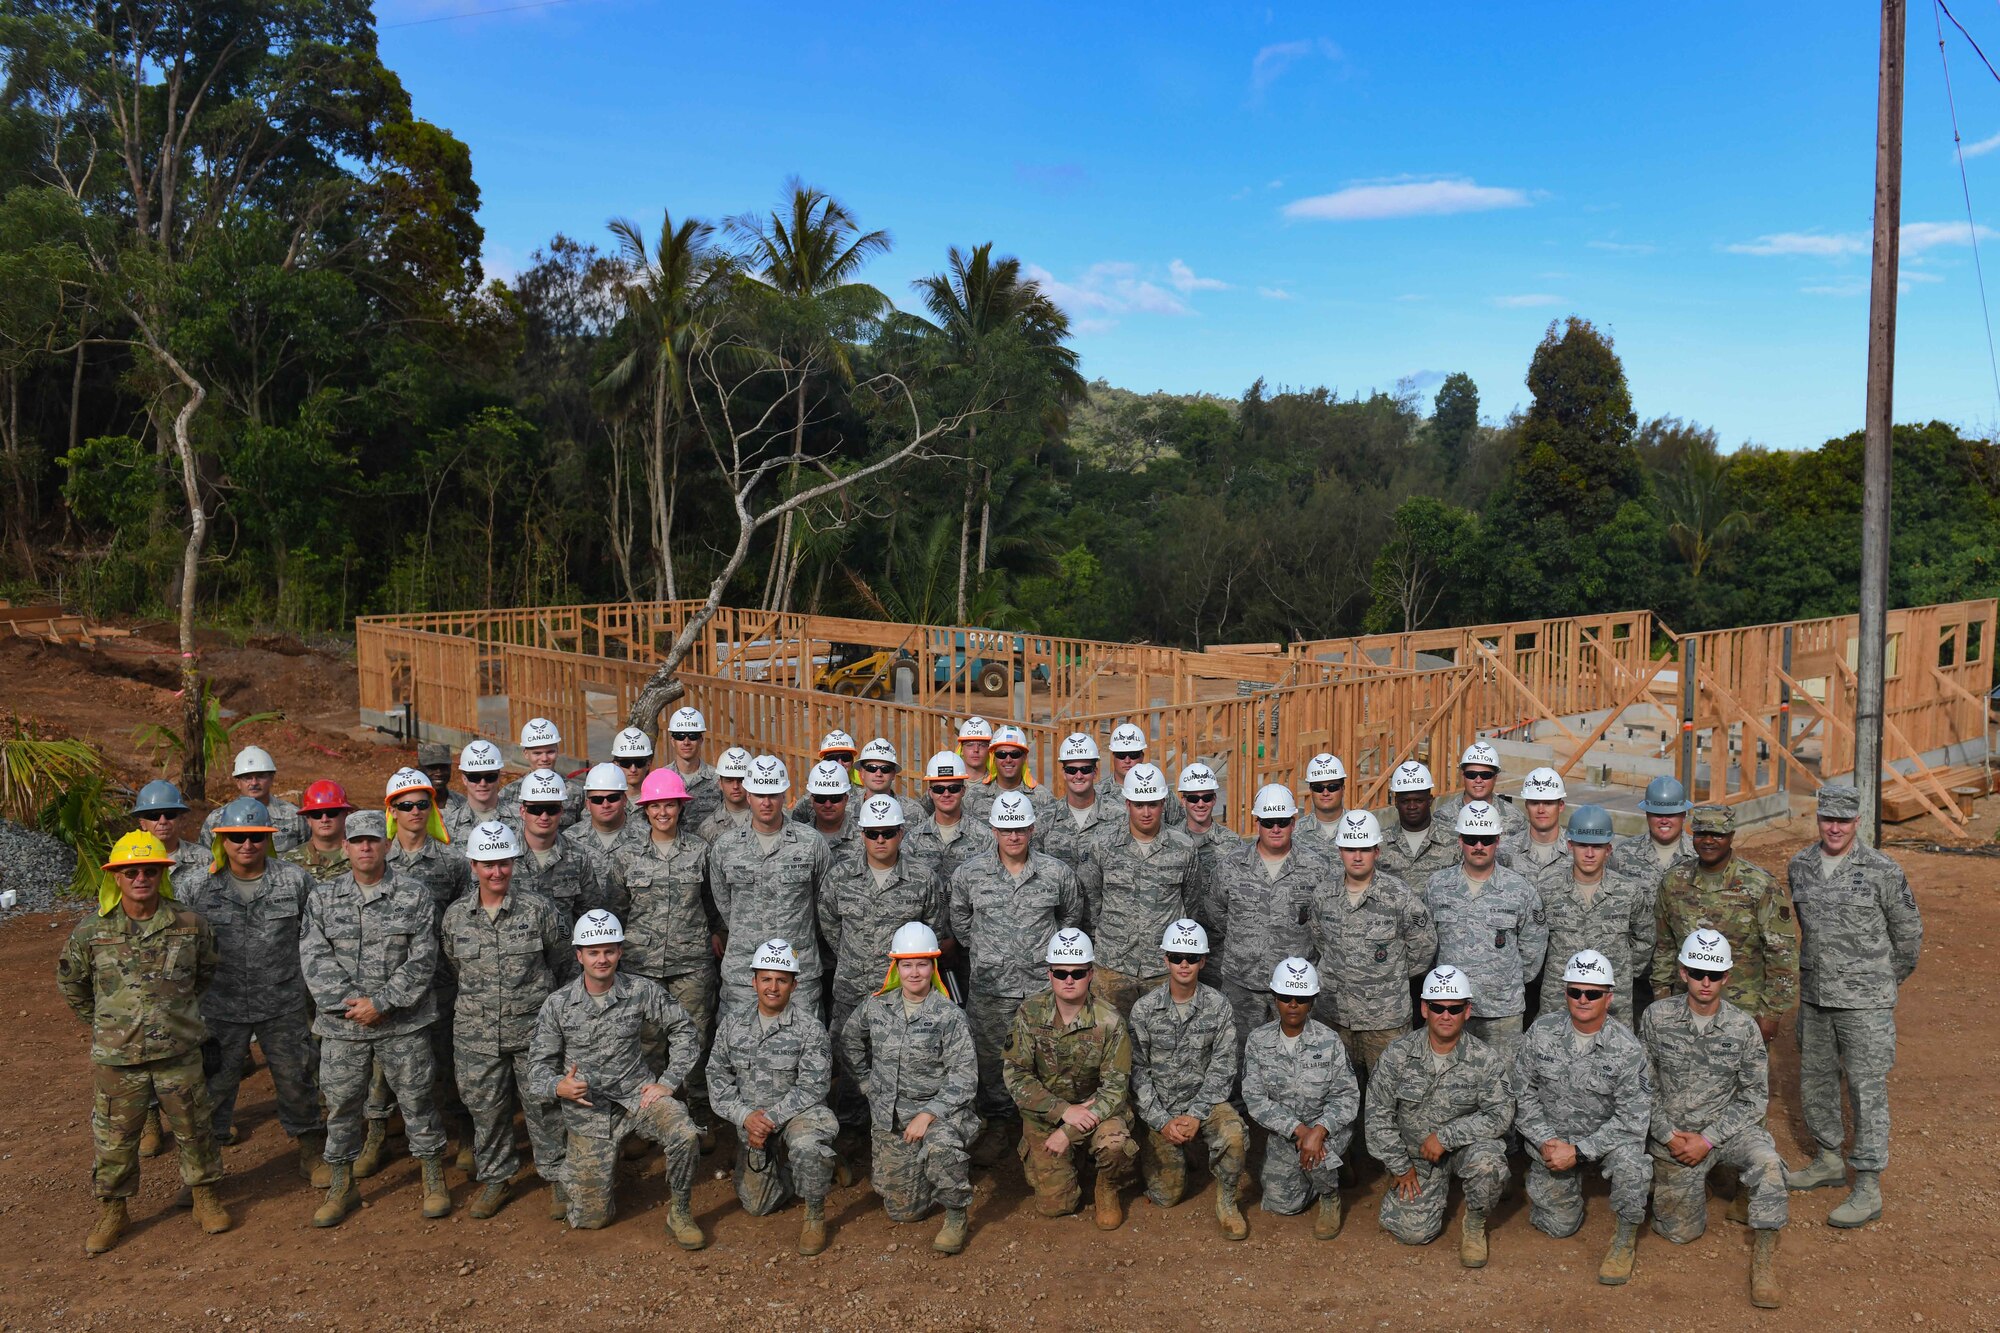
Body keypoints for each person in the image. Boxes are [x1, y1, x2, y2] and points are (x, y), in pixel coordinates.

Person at [57, 832, 230, 1253]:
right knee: (115, 1137)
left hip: (178, 1052)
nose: (140, 878)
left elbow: (205, 973)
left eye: (149, 870)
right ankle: (113, 1209)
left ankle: (204, 1196)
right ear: (115, 877)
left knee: (194, 1127)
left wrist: (178, 1017)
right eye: (130, 871)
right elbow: (72, 983)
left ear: (161, 874)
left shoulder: (190, 925)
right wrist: (106, 1023)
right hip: (120, 1057)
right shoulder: (91, 933)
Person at [1782, 783, 1923, 1230]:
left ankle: (1867, 1182)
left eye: (1844, 820)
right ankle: (1827, 1158)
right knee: (1816, 1079)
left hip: (1866, 1005)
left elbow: (1909, 937)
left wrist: (1879, 982)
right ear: (1818, 819)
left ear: (1857, 822)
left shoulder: (1882, 869)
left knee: (1866, 1089)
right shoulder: (1800, 865)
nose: (1835, 827)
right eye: (1828, 819)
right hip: (1816, 998)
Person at [302, 811, 451, 1228]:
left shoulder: (414, 895)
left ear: (386, 845)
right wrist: (355, 1005)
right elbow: (314, 959)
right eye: (357, 841)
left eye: (373, 840)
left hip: (402, 1022)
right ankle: (341, 1183)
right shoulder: (322, 898)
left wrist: (382, 1002)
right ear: (345, 847)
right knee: (343, 1104)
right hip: (343, 1026)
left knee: (418, 1099)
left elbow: (423, 959)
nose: (366, 847)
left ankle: (432, 1176)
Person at [526, 909, 705, 1246]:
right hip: (589, 1111)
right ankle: (574, 1175)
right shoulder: (558, 1005)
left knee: (684, 1132)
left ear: (620, 951)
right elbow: (535, 1069)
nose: (602, 959)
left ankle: (679, 1212)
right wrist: (558, 1086)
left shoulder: (641, 990)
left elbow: (684, 1029)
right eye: (593, 952)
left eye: (609, 950)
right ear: (579, 955)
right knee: (592, 1220)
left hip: (638, 1096)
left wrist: (668, 1081)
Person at [1641, 931, 1787, 1309]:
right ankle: (1694, 1184)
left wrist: (1709, 1139)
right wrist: (1668, 1135)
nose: (1706, 981)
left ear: (1727, 978)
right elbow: (1642, 1088)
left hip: (1727, 1132)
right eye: (1697, 971)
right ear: (1683, 973)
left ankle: (1765, 1258)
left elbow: (1755, 1097)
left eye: (1714, 974)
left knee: (1769, 1164)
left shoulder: (1743, 1027)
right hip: (1674, 1136)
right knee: (1679, 1234)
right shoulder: (1656, 1017)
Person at [178, 797, 324, 1173]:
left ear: (268, 839)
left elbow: (315, 939)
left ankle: (311, 1151)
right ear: (222, 840)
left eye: (256, 837)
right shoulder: (197, 887)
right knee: (213, 1090)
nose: (247, 845)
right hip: (220, 1009)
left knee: (297, 1082)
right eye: (238, 836)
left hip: (283, 1005)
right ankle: (203, 1174)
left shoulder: (294, 881)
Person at [440, 821, 569, 1220]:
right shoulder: (456, 917)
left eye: (504, 863)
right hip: (476, 1036)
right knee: (486, 1110)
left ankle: (558, 1178)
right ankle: (496, 1177)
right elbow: (452, 967)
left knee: (545, 1107)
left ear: (514, 862)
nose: (497, 872)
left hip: (533, 1033)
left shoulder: (539, 909)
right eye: (487, 864)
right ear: (473, 866)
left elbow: (562, 963)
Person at [947, 789, 1083, 1163]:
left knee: (1050, 1059)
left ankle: (1046, 1127)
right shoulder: (970, 874)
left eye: (1021, 828)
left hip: (1043, 988)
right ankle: (998, 1126)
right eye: (1006, 829)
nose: (1013, 836)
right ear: (993, 829)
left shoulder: (1056, 873)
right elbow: (961, 924)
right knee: (992, 1061)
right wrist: (990, 953)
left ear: (1032, 828)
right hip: (991, 988)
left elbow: (1070, 919)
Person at [838, 922, 979, 1254]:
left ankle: (956, 1214)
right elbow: (849, 1040)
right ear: (896, 967)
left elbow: (965, 1076)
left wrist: (929, 1114)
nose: (915, 972)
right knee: (904, 1213)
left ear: (933, 966)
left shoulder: (949, 1015)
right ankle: (924, 1172)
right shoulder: (876, 1006)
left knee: (942, 1149)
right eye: (907, 964)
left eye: (922, 964)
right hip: (891, 1119)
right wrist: (866, 1082)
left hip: (939, 1114)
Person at [1514, 950, 1653, 1285]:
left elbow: (1632, 1118)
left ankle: (1623, 1240)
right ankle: (1551, 1190)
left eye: (1592, 993)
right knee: (1558, 1228)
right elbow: (1522, 1093)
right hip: (1554, 1141)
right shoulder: (1541, 1032)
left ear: (1609, 997)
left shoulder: (1627, 1048)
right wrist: (1547, 1141)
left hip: (1605, 1142)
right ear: (1565, 994)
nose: (1583, 999)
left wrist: (1579, 1152)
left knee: (1635, 1167)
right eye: (1575, 991)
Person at [1364, 966, 1512, 1266]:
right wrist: (1400, 1167)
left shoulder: (1485, 1059)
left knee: (1489, 1164)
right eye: (1437, 1007)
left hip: (1463, 1149)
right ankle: (1421, 1192)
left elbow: (1500, 1113)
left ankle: (1474, 1224)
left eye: (1454, 1009)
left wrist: (1446, 1137)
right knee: (1412, 1233)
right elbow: (1377, 1115)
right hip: (1415, 1158)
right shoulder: (1398, 1054)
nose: (1446, 1015)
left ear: (1467, 1011)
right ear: (1424, 1009)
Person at [819, 794, 945, 1137]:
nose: (879, 840)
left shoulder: (922, 879)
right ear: (861, 834)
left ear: (901, 833)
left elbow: (934, 930)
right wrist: (853, 957)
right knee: (848, 1059)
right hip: (851, 989)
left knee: (902, 1061)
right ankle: (849, 1129)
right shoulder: (839, 877)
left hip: (903, 994)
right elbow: (830, 926)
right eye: (872, 833)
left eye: (887, 832)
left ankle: (896, 1131)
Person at [706, 938, 840, 1256]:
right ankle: (798, 1166)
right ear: (754, 981)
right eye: (766, 978)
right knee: (757, 1205)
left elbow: (813, 1086)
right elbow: (717, 1078)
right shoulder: (732, 1025)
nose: (773, 987)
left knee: (807, 1145)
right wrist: (745, 1117)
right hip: (752, 1122)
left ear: (793, 984)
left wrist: (769, 1120)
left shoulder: (810, 1029)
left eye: (781, 980)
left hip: (798, 1117)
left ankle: (814, 1214)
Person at [611, 767, 721, 1137]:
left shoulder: (700, 852)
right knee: (646, 1044)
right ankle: (650, 1122)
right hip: (640, 965)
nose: (662, 812)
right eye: (655, 805)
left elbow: (713, 904)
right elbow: (616, 908)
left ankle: (694, 1116)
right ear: (644, 809)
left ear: (680, 807)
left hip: (691, 964)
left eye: (669, 804)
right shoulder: (627, 856)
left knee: (694, 1038)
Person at [1002, 929, 1138, 1230]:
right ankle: (1058, 1162)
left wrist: (1069, 1130)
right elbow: (1016, 1075)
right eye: (1061, 972)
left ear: (1090, 974)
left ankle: (1107, 1186)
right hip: (1047, 1115)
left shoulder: (1110, 1020)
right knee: (1056, 1206)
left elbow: (1115, 1091)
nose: (1069, 980)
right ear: (1049, 974)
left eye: (1077, 972)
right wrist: (1063, 1112)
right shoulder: (1029, 1013)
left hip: (1097, 1111)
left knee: (1115, 1146)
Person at [1126, 919, 1247, 1239]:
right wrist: (1162, 1120)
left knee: (1234, 1134)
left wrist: (1195, 1115)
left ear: (1203, 961)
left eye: (1192, 958)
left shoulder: (1218, 1006)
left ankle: (1227, 1200)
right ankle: (1176, 1153)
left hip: (1204, 1104)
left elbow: (1223, 1067)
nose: (1184, 964)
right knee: (1166, 1196)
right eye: (1177, 957)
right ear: (1165, 959)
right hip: (1161, 1107)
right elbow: (1137, 1072)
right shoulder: (1144, 1009)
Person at [383, 766, 477, 1170]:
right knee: (389, 1068)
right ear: (392, 811)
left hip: (442, 981)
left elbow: (465, 919)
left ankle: (467, 1136)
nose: (415, 811)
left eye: (423, 803)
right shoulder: (378, 860)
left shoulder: (453, 862)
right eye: (406, 805)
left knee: (451, 1060)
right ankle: (385, 1135)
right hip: (389, 980)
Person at [1651, 806, 1798, 1044]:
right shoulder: (1673, 882)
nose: (1709, 841)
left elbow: (1781, 955)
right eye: (1701, 834)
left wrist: (1771, 1013)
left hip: (1742, 1011)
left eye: (1717, 834)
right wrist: (1661, 998)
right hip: (1683, 1006)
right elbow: (1665, 946)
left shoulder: (1759, 885)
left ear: (1731, 836)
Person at [1201, 784, 1322, 1073]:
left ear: (1294, 822)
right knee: (1240, 1061)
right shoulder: (1231, 866)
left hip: (1295, 991)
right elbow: (1216, 914)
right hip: (1243, 987)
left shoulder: (1316, 868)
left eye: (1283, 822)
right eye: (1268, 822)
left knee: (1295, 1064)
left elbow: (1325, 922)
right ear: (1257, 822)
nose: (1276, 829)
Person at [1308, 809, 1436, 1078]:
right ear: (1339, 850)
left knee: (1388, 1093)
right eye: (1350, 849)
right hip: (1335, 1016)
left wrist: (1388, 978)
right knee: (1337, 1091)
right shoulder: (1323, 895)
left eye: (1364, 849)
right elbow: (1321, 942)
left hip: (1385, 1020)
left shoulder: (1397, 896)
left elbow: (1423, 948)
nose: (1357, 856)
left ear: (1377, 851)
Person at [1241, 958, 1359, 1240]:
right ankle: (1322, 1174)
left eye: (1301, 998)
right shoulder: (1258, 1041)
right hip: (1286, 1134)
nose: (1293, 1004)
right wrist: (1299, 1130)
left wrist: (1318, 1131)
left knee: (1319, 1156)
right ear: (1275, 998)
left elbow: (1347, 1097)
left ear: (1312, 1001)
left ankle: (1330, 1195)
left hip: (1329, 1131)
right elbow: (1254, 1098)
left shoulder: (1329, 1041)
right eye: (1286, 997)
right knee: (1282, 1204)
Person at [710, 756, 832, 1023]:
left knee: (805, 1045)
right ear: (748, 795)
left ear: (784, 795)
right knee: (739, 1047)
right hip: (744, 972)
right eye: (759, 794)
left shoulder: (811, 843)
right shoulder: (726, 847)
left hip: (798, 973)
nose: (766, 803)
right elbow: (724, 903)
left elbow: (824, 904)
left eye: (773, 794)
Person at [1425, 801, 1547, 1064]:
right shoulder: (1437, 886)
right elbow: (1427, 945)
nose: (1478, 846)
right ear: (1460, 841)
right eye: (1471, 839)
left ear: (1497, 841)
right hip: (1450, 1009)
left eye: (1486, 839)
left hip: (1502, 1011)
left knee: (1504, 1083)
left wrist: (1503, 982)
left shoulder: (1519, 890)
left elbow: (1533, 949)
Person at [1077, 763, 1198, 1017]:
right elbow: (1091, 902)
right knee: (1109, 1043)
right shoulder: (1103, 845)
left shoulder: (1183, 848)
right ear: (1127, 804)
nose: (1146, 812)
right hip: (1112, 967)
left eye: (1152, 804)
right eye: (1139, 804)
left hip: (1163, 968)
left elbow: (1192, 904)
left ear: (1163, 804)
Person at [1532, 804, 1653, 1027]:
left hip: (1612, 1000)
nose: (1589, 853)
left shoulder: (1627, 892)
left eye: (1597, 847)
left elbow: (1644, 939)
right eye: (1582, 845)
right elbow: (1535, 942)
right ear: (1570, 846)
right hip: (1559, 998)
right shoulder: (1547, 889)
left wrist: (1619, 970)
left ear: (1608, 849)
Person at [511, 767, 617, 934]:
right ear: (523, 812)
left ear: (561, 811)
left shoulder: (578, 856)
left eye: (551, 809)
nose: (544, 817)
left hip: (565, 956)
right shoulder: (504, 855)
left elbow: (589, 913)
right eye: (536, 810)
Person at [903, 751, 995, 889]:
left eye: (953, 788)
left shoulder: (984, 837)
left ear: (963, 791)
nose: (946, 794)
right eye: (939, 789)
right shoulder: (913, 840)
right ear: (930, 793)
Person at [1038, 732, 1121, 873]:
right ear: (1064, 773)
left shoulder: (1119, 815)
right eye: (1071, 770)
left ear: (1095, 772)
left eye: (1085, 769)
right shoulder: (1045, 818)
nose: (1078, 776)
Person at [199, 745, 307, 852]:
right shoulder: (217, 819)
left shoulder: (294, 816)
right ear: (238, 782)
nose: (254, 783)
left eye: (260, 776)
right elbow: (204, 860)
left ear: (271, 778)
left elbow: (308, 854)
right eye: (248, 778)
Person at [1374, 761, 1461, 883]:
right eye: (1405, 801)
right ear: (1396, 802)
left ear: (1430, 800)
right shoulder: (1379, 843)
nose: (1412, 806)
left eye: (1419, 800)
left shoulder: (1454, 840)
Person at [1176, 762, 1239, 922]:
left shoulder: (1232, 843)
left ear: (1214, 799)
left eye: (1207, 797)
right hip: (1181, 937)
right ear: (1183, 801)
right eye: (1193, 798)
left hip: (1218, 938)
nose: (1201, 804)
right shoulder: (1170, 840)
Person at [497, 717, 585, 827]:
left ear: (557, 751)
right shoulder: (508, 793)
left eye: (550, 752)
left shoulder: (575, 793)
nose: (544, 758)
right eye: (537, 753)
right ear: (525, 754)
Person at [1610, 776, 1694, 885]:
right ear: (1647, 815)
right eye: (1657, 814)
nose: (1664, 821)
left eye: (1671, 814)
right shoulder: (1623, 852)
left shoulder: (1699, 854)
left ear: (1683, 816)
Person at [1434, 741, 1526, 836]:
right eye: (1471, 775)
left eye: (1485, 775)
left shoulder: (1515, 818)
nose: (1478, 780)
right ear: (1463, 776)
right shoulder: (1442, 817)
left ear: (1495, 778)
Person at [1103, 721, 1185, 826]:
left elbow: (1181, 828)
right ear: (1113, 756)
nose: (1127, 760)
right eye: (1121, 755)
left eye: (1133, 754)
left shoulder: (1163, 794)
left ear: (1142, 756)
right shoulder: (1098, 794)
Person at [565, 761, 645, 862]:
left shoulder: (646, 836)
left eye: (613, 798)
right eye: (597, 800)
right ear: (588, 804)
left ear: (624, 800)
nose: (606, 805)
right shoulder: (569, 839)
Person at [132, 779, 209, 880]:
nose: (163, 821)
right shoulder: (130, 860)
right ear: (143, 823)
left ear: (180, 819)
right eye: (154, 816)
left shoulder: (204, 859)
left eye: (170, 814)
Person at [968, 724, 1044, 823]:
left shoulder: (1043, 798)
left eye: (1015, 754)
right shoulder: (973, 796)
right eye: (1001, 754)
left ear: (1024, 757)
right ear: (993, 757)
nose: (1008, 760)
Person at [281, 780, 354, 881]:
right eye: (316, 815)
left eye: (332, 813)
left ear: (345, 815)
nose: (324, 819)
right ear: (308, 820)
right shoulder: (290, 861)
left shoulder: (362, 855)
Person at [1501, 767, 1571, 873]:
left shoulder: (1577, 851)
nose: (1541, 810)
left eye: (1548, 803)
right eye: (1534, 803)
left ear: (1560, 806)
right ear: (1526, 806)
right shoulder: (1505, 851)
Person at [663, 706, 722, 832]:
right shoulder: (662, 779)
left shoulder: (718, 780)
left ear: (701, 740)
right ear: (672, 741)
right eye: (680, 736)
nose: (686, 742)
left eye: (692, 736)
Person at [442, 739, 511, 845]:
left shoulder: (523, 820)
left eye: (490, 777)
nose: (482, 783)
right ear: (464, 779)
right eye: (474, 777)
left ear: (498, 777)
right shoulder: (447, 826)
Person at [792, 729, 859, 823]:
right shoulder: (805, 803)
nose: (839, 763)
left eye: (845, 758)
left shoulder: (863, 797)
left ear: (852, 761)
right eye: (832, 758)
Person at [803, 759, 861, 862]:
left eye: (835, 798)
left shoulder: (866, 837)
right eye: (821, 798)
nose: (828, 805)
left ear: (846, 799)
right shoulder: (798, 838)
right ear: (812, 800)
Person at [696, 746, 755, 842]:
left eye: (741, 780)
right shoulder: (707, 829)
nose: (735, 786)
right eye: (729, 780)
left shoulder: (766, 819)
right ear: (720, 783)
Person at [1298, 752, 1350, 858]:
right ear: (1311, 790)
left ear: (1343, 789)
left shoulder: (1359, 827)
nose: (1325, 793)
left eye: (1332, 787)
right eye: (1318, 788)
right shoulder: (1295, 833)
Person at [417, 741, 466, 828]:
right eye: (432, 767)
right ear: (420, 770)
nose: (439, 773)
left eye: (444, 767)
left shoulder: (463, 804)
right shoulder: (410, 808)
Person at [610, 725, 656, 802]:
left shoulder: (659, 798)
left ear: (648, 764)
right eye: (626, 763)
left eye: (639, 763)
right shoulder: (605, 801)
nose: (633, 769)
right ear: (616, 765)